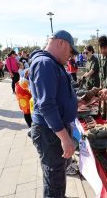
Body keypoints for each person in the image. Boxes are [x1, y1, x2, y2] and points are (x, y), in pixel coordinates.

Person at [29, 30, 79, 197]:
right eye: (71, 51)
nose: (71, 56)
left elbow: (58, 96)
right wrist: (65, 138)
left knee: (55, 177)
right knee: (54, 179)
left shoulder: (51, 63)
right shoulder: (45, 63)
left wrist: (81, 100)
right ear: (61, 43)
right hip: (49, 132)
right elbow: (47, 105)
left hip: (52, 131)